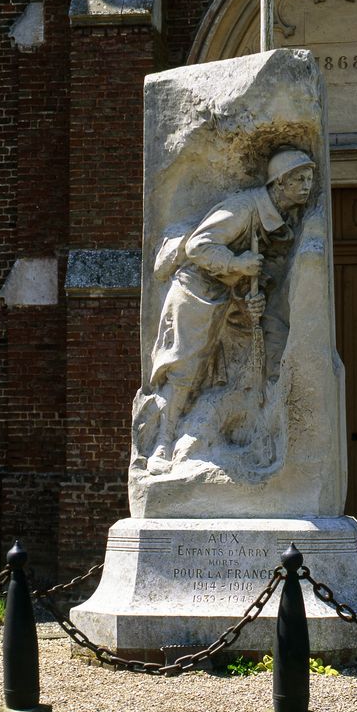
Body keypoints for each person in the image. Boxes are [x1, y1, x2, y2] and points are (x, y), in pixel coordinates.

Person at [147, 147, 315, 474]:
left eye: (308, 178)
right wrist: (237, 263)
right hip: (195, 290)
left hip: (226, 296)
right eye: (298, 179)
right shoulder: (243, 208)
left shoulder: (280, 220)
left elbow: (256, 274)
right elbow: (198, 246)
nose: (306, 185)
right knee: (184, 367)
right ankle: (162, 442)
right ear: (278, 183)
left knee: (221, 371)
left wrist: (251, 295)